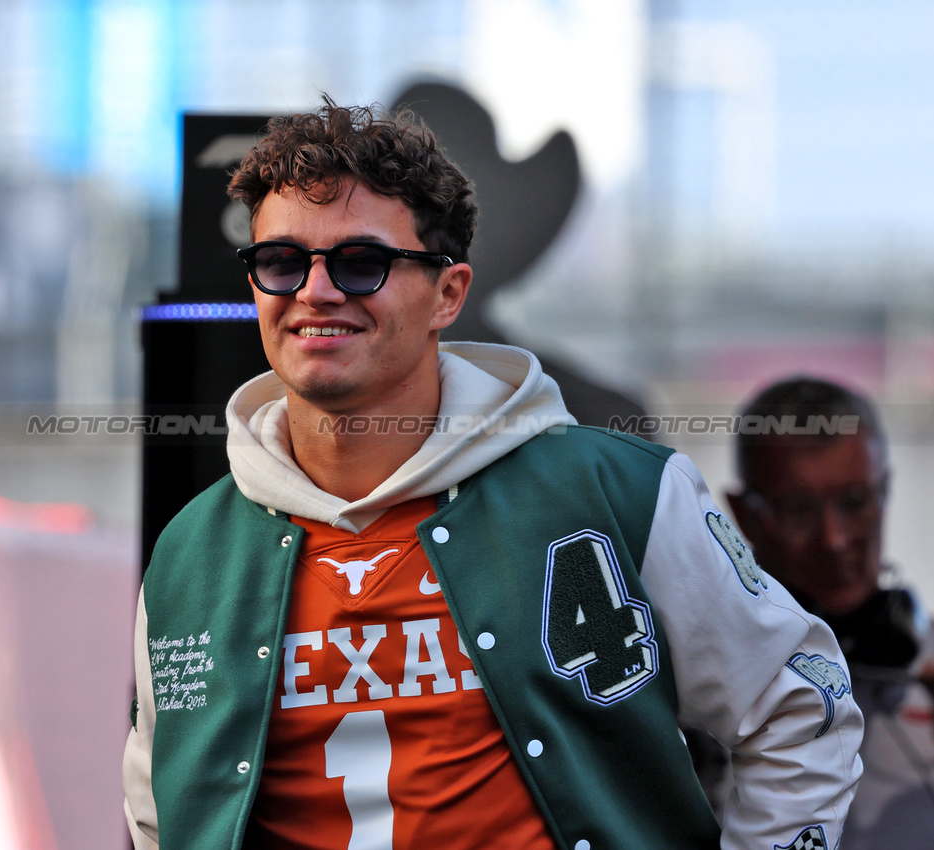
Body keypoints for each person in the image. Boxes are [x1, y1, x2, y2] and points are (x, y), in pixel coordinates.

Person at [122, 99, 863, 850]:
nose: (315, 292)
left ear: (447, 293)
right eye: (281, 262)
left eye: (360, 262)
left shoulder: (619, 493)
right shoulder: (191, 552)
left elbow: (798, 706)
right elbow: (158, 810)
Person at [726, 376, 934, 848]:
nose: (834, 539)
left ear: (886, 490)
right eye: (798, 509)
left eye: (855, 502)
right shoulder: (701, 693)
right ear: (742, 515)